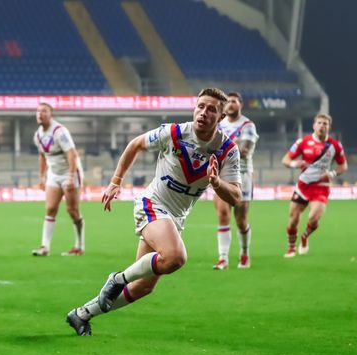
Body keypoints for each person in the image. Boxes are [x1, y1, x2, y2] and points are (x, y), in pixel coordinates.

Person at [66, 88, 241, 336]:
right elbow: (135, 144)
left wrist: (216, 183)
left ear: (222, 117)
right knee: (175, 257)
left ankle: (82, 314)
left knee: (142, 288)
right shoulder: (174, 133)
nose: (203, 112)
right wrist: (116, 181)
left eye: (211, 109)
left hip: (175, 218)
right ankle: (116, 280)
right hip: (152, 204)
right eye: (200, 106)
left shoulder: (227, 150)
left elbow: (235, 197)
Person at [282, 114, 347, 257]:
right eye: (319, 123)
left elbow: (343, 166)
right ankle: (291, 248)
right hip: (303, 185)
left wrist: (332, 174)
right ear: (314, 125)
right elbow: (285, 160)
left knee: (313, 218)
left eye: (325, 123)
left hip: (321, 187)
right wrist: (295, 163)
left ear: (329, 127)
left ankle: (305, 237)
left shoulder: (335, 145)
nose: (322, 126)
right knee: (293, 220)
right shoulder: (303, 142)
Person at [31, 103, 85, 257]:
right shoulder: (38, 135)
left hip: (69, 173)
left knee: (72, 211)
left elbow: (72, 154)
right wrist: (42, 177)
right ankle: (45, 247)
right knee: (50, 208)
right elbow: (42, 156)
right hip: (54, 175)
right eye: (38, 111)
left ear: (51, 114)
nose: (40, 114)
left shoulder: (59, 132)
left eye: (44, 111)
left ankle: (79, 246)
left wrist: (70, 176)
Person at [212, 92, 258, 269]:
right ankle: (223, 258)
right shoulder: (219, 124)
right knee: (222, 214)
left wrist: (218, 147)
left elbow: (244, 151)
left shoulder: (248, 125)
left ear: (241, 104)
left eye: (234, 101)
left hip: (242, 175)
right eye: (228, 102)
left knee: (240, 219)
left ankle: (244, 253)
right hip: (221, 174)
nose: (230, 104)